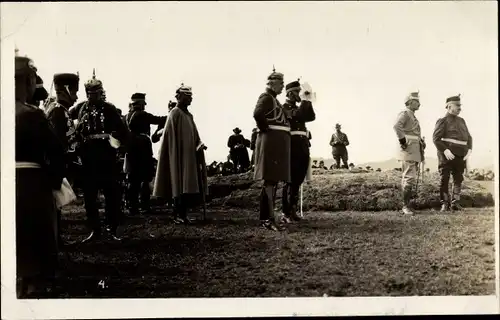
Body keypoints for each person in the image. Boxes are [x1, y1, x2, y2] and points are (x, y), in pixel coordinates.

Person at [15, 55, 66, 297]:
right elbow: (56, 150)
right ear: (27, 81)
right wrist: (54, 183)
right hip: (30, 183)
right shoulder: (32, 114)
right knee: (33, 241)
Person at [74, 71, 130, 242]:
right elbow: (75, 130)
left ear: (101, 92)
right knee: (90, 196)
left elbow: (123, 132)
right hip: (89, 158)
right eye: (89, 93)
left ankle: (111, 228)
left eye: (95, 93)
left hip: (107, 157)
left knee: (111, 194)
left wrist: (118, 147)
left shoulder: (110, 109)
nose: (92, 96)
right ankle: (94, 229)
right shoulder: (81, 108)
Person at [153, 84, 208, 224]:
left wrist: (199, 144)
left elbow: (195, 135)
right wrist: (175, 155)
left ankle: (183, 214)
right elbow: (169, 138)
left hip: (188, 156)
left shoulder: (189, 115)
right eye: (188, 96)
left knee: (186, 185)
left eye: (191, 96)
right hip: (177, 157)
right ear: (180, 97)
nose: (191, 99)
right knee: (178, 184)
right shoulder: (175, 113)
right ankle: (177, 214)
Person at [44, 73, 80, 244]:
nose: (76, 96)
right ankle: (55, 241)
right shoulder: (57, 112)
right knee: (54, 204)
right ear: (66, 90)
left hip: (60, 164)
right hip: (56, 165)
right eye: (74, 91)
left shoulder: (60, 110)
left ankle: (57, 239)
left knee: (57, 205)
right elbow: (57, 144)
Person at [253, 68, 290, 231]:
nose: (283, 87)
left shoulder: (274, 99)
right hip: (271, 143)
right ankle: (267, 219)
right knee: (270, 182)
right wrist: (266, 130)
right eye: (281, 83)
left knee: (273, 182)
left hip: (276, 143)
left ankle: (268, 218)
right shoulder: (266, 97)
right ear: (272, 83)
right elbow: (257, 114)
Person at [124, 92, 167, 215]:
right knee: (145, 178)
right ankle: (144, 205)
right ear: (141, 104)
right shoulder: (142, 115)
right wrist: (171, 115)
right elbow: (158, 119)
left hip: (130, 148)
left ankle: (132, 205)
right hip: (143, 147)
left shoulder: (125, 117)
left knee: (132, 178)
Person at [280, 79, 316, 223]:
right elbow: (299, 115)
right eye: (297, 92)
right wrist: (305, 101)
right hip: (292, 146)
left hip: (302, 145)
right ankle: (286, 212)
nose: (299, 95)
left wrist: (308, 101)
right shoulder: (285, 107)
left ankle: (292, 211)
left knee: (298, 180)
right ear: (290, 93)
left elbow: (311, 117)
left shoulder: (297, 106)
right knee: (290, 180)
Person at [432, 94, 473, 211]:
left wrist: (469, 149)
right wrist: (445, 150)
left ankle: (455, 203)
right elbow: (436, 139)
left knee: (458, 178)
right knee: (444, 178)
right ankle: (444, 203)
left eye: (460, 105)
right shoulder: (442, 121)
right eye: (457, 105)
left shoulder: (462, 121)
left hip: (461, 154)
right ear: (449, 106)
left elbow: (469, 137)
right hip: (447, 155)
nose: (460, 108)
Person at [393, 91, 426, 215]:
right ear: (410, 102)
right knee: (409, 178)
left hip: (414, 150)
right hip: (408, 150)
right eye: (417, 101)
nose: (419, 104)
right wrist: (402, 140)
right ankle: (405, 206)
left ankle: (406, 205)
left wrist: (420, 142)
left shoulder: (412, 115)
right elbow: (397, 126)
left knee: (409, 178)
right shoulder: (405, 114)